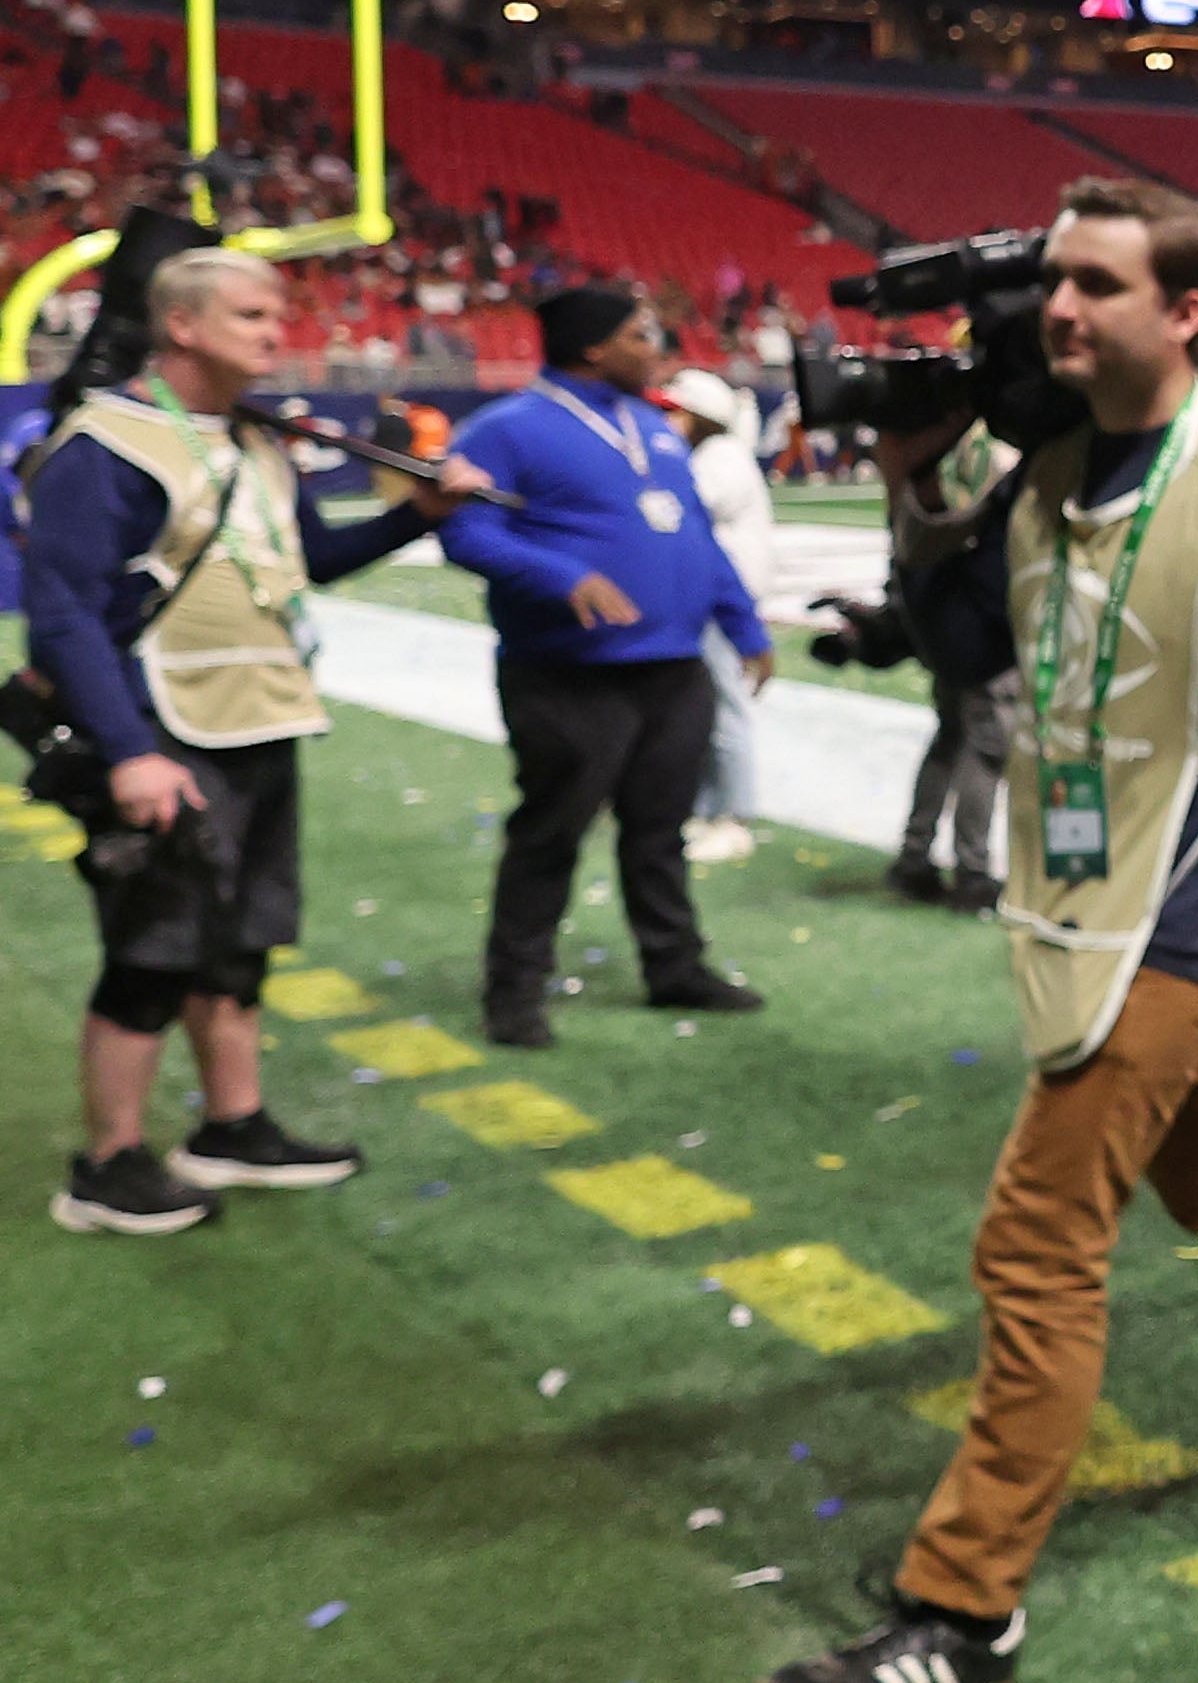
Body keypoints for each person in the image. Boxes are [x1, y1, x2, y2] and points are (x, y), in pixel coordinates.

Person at [761, 181, 1198, 1683]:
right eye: (1052, 280)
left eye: (1097, 284)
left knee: (1035, 1241)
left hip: (1183, 914)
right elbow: (963, 645)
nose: (1057, 309)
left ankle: (963, 1604)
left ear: (1187, 309)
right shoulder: (1054, 465)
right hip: (1083, 902)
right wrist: (913, 478)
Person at [23, 245, 483, 1236]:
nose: (280, 332)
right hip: (161, 732)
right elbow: (61, 614)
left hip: (257, 716)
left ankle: (231, 1125)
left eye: (277, 314)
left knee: (237, 941)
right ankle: (105, 1162)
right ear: (182, 324)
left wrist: (417, 517)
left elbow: (308, 554)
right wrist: (129, 749)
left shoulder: (257, 438)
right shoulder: (107, 444)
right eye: (252, 314)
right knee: (151, 949)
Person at [440, 284, 773, 1049]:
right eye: (640, 334)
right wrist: (563, 577)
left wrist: (744, 622)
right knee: (550, 834)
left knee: (660, 830)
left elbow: (692, 534)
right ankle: (514, 993)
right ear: (594, 347)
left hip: (673, 668)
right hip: (566, 669)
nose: (655, 348)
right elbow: (466, 534)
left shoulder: (651, 425)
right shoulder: (505, 429)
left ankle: (675, 964)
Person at [891, 420, 1014, 911]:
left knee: (949, 742)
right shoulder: (996, 460)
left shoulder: (932, 449)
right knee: (984, 753)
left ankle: (914, 856)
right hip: (980, 636)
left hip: (942, 628)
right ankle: (973, 872)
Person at [659, 364, 777, 866]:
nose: (666, 422)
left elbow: (679, 514)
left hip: (724, 603)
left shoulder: (720, 457)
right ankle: (710, 811)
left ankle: (735, 818)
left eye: (675, 413)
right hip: (712, 600)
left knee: (727, 710)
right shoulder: (716, 454)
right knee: (706, 709)